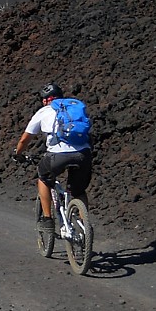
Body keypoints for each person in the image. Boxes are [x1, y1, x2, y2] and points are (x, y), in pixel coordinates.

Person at [12, 82, 93, 230]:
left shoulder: (43, 112)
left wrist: (18, 153)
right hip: (83, 154)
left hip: (57, 156)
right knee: (78, 191)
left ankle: (47, 220)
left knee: (43, 178)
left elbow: (24, 139)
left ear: (44, 100)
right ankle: (85, 227)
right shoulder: (74, 108)